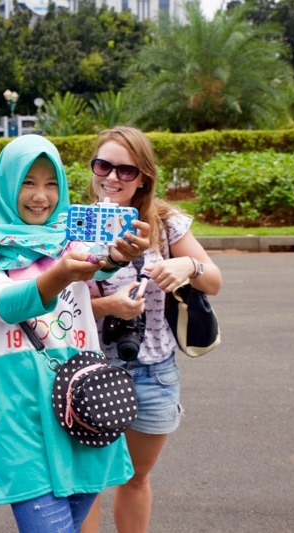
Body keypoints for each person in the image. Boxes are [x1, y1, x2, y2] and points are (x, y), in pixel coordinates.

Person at [0, 134, 138, 533]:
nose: (41, 196)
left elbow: (101, 263)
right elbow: (6, 304)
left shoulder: (70, 238)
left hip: (85, 398)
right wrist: (63, 272)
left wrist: (117, 256)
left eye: (51, 183)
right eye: (28, 183)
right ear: (7, 185)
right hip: (21, 407)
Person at [80, 126, 223, 533]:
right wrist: (110, 305)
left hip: (154, 371)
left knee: (135, 477)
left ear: (144, 176)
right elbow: (60, 311)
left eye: (126, 170)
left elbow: (213, 281)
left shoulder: (165, 221)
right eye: (103, 165)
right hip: (90, 371)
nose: (112, 177)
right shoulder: (79, 223)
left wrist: (188, 266)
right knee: (88, 483)